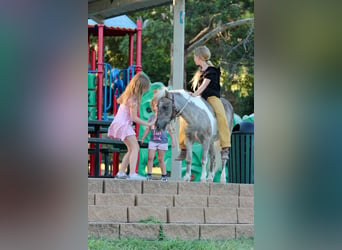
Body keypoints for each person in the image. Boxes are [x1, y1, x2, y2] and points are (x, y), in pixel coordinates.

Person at [175, 45, 231, 161]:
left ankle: (225, 147)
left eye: (195, 56)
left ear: (199, 57)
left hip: (211, 97)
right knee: (183, 116)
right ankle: (183, 148)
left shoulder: (212, 71)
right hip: (200, 98)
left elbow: (205, 85)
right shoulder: (200, 71)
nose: (194, 58)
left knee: (221, 115)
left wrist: (194, 94)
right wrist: (194, 96)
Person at [108, 72, 155, 180]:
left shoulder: (128, 96)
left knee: (131, 149)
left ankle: (120, 173)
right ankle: (132, 173)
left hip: (119, 124)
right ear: (140, 88)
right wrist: (148, 123)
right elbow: (134, 118)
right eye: (144, 89)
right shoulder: (133, 99)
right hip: (124, 125)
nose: (145, 91)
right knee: (135, 148)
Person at [140, 96, 175, 181]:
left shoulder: (165, 118)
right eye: (156, 105)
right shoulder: (151, 117)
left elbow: (170, 130)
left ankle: (164, 176)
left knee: (160, 159)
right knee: (150, 157)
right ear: (153, 106)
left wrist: (173, 140)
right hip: (153, 141)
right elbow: (148, 128)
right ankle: (149, 174)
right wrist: (143, 138)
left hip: (162, 141)